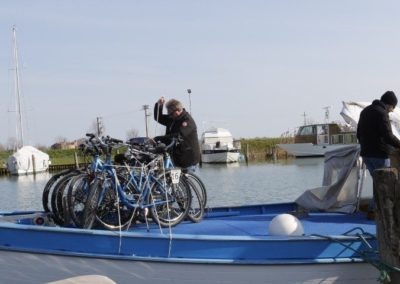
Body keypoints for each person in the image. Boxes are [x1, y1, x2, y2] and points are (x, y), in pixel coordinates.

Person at [357, 90, 400, 217]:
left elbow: (358, 134)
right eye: (392, 108)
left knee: (378, 183)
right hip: (379, 154)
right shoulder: (382, 113)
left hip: (366, 154)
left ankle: (373, 209)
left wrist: (365, 146)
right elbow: (388, 135)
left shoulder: (365, 111)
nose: (391, 111)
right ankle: (377, 211)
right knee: (384, 185)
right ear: (389, 104)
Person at [153, 97, 200, 173]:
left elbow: (178, 135)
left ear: (177, 111)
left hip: (189, 160)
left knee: (188, 183)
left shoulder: (187, 120)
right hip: (178, 158)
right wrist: (159, 105)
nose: (169, 115)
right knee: (176, 183)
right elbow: (158, 117)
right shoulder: (172, 119)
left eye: (170, 113)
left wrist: (158, 138)